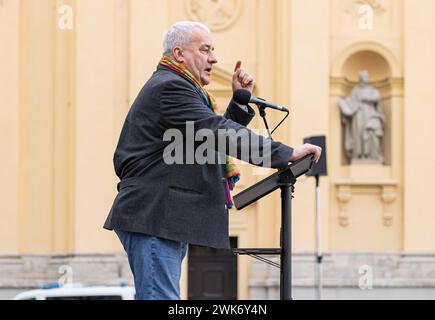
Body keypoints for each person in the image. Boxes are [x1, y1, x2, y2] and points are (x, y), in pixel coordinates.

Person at [104, 21, 321, 300]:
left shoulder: (180, 86)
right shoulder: (170, 87)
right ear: (179, 53)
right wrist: (285, 153)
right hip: (153, 215)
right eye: (205, 49)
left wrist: (239, 105)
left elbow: (205, 142)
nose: (214, 58)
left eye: (213, 50)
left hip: (161, 217)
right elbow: (216, 132)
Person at [338, 70, 385, 163]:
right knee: (358, 134)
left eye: (367, 76)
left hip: (370, 114)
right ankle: (359, 155)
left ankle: (372, 155)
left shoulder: (372, 90)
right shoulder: (355, 91)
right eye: (364, 76)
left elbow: (377, 98)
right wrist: (344, 106)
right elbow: (349, 103)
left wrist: (367, 99)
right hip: (358, 116)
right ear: (360, 78)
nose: (366, 78)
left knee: (372, 133)